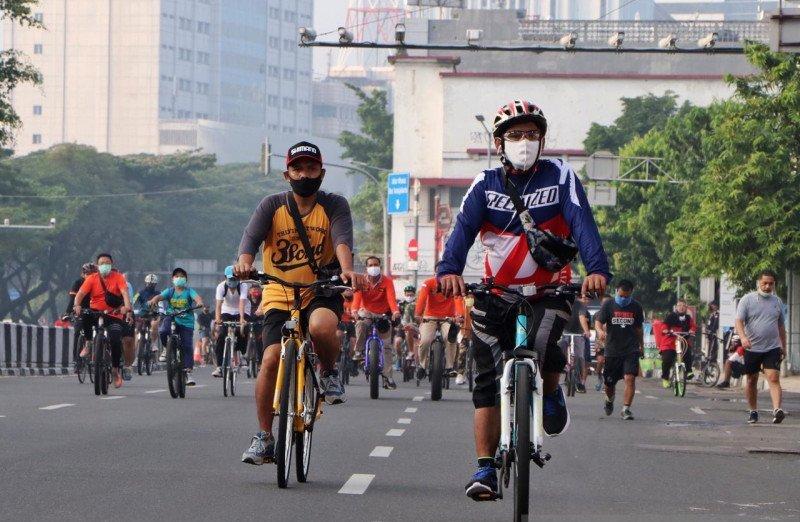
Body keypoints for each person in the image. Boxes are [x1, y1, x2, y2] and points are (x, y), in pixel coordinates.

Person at [436, 100, 610, 501]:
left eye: (532, 134)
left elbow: (584, 225)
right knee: (485, 380)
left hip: (550, 292)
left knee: (546, 345)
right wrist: (448, 272)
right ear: (499, 142)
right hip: (494, 294)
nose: (524, 142)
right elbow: (462, 232)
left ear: (543, 140)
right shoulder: (484, 183)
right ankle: (484, 469)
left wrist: (597, 270)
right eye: (515, 135)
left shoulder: (562, 177)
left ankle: (549, 392)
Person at [234, 141, 365, 466]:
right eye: (298, 168)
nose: (304, 174)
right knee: (270, 360)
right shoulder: (271, 206)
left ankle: (330, 371)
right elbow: (250, 241)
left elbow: (342, 240)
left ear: (322, 172)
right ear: (287, 173)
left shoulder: (334, 204)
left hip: (321, 289)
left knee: (321, 327)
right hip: (279, 291)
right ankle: (264, 437)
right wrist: (244, 262)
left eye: (310, 168)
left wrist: (347, 270)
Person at [72, 253, 133, 389]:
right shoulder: (91, 279)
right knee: (85, 316)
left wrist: (127, 307)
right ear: (98, 265)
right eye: (102, 263)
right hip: (96, 313)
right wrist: (77, 305)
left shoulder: (118, 278)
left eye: (107, 263)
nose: (105, 265)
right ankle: (88, 343)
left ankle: (115, 370)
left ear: (111, 264)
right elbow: (80, 294)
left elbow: (124, 293)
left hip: (113, 314)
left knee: (116, 339)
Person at [735, 269, 786, 424]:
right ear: (759, 283)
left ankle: (777, 410)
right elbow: (738, 321)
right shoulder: (747, 300)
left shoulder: (777, 302)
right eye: (764, 283)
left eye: (771, 284)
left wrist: (783, 346)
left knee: (773, 377)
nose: (767, 286)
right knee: (751, 380)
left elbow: (781, 326)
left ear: (774, 284)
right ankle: (753, 411)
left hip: (772, 347)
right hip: (752, 347)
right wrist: (743, 337)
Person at [594, 279, 643, 421]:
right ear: (616, 291)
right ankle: (609, 400)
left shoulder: (636, 307)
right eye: (621, 295)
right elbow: (598, 321)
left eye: (626, 297)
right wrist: (599, 331)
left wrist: (642, 346)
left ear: (631, 294)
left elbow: (639, 329)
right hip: (612, 349)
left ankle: (626, 409)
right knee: (609, 383)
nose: (623, 299)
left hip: (631, 349)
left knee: (630, 378)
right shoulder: (608, 305)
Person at [148, 268, 204, 385]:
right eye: (177, 276)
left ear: (186, 279)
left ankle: (188, 372)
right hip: (171, 317)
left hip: (186, 322)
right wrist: (153, 300)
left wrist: (199, 302)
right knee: (163, 331)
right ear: (173, 279)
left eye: (182, 276)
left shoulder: (189, 291)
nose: (179, 278)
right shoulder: (170, 291)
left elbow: (197, 298)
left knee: (187, 345)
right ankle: (166, 349)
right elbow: (159, 297)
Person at [352, 256, 401, 390]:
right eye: (371, 265)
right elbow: (356, 298)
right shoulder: (361, 281)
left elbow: (391, 299)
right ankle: (359, 351)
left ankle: (388, 378)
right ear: (366, 268)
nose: (374, 267)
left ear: (380, 266)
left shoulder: (387, 281)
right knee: (361, 324)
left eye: (376, 264)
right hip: (366, 312)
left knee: (386, 347)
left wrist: (395, 312)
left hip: (383, 314)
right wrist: (355, 311)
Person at [414, 270, 464, 382]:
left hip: (448, 318)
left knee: (450, 338)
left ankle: (450, 367)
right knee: (425, 340)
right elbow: (422, 299)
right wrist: (418, 314)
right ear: (436, 273)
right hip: (429, 317)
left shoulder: (454, 284)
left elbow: (458, 300)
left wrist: (460, 315)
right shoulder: (428, 283)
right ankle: (422, 365)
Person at [211, 265, 250, 378]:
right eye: (231, 279)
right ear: (225, 278)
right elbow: (218, 305)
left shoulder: (243, 286)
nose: (233, 281)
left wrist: (242, 319)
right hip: (226, 311)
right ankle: (219, 367)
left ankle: (242, 356)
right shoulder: (221, 287)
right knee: (221, 335)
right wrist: (218, 320)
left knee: (242, 330)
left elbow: (242, 302)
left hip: (242, 310)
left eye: (235, 278)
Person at [65, 263, 96, 367]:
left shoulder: (98, 283)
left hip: (95, 310)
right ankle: (76, 359)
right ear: (83, 273)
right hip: (80, 310)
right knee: (77, 330)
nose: (89, 276)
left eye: (92, 274)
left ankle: (100, 354)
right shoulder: (78, 283)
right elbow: (72, 299)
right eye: (87, 273)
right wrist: (68, 312)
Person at [561, 292, 591, 393]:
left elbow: (582, 317)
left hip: (578, 334)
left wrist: (586, 331)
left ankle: (579, 382)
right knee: (563, 351)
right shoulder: (565, 303)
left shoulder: (579, 305)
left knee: (580, 356)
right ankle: (564, 367)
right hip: (565, 332)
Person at [662, 299, 697, 381]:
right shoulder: (670, 316)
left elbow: (693, 326)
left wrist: (692, 330)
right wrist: (665, 330)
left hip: (683, 341)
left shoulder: (688, 318)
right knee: (667, 359)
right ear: (676, 307)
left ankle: (689, 371)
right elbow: (664, 325)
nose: (681, 307)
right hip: (670, 342)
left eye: (683, 306)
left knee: (688, 352)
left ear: (686, 307)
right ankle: (665, 378)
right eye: (679, 305)